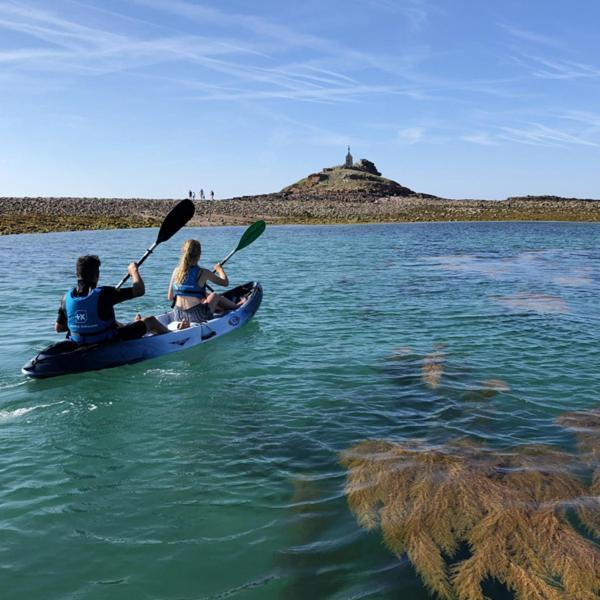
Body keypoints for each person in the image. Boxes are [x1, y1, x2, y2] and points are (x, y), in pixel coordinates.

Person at [55, 255, 168, 345]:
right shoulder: (104, 294)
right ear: (97, 275)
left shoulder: (66, 298)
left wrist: (82, 324)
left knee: (111, 322)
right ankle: (177, 338)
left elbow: (59, 328)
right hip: (107, 341)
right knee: (150, 321)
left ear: (77, 274)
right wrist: (133, 271)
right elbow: (139, 290)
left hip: (80, 343)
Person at [167, 239, 243, 325]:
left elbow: (170, 297)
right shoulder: (203, 272)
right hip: (198, 316)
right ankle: (237, 306)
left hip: (178, 315)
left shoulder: (176, 271)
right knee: (215, 295)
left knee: (205, 294)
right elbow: (225, 283)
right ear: (199, 255)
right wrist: (219, 269)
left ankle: (219, 308)